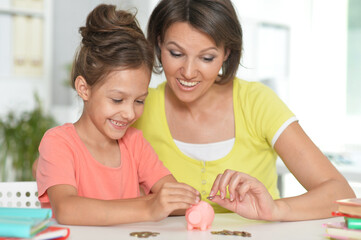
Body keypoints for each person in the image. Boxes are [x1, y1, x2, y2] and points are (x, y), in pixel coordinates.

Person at [132, 0, 355, 221]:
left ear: (227, 52)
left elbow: (340, 194)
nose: (189, 72)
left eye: (207, 57)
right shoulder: (135, 107)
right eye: (176, 53)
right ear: (159, 44)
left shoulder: (257, 103)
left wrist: (276, 209)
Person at [35, 4, 200, 226]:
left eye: (139, 100)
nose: (130, 113)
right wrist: (148, 206)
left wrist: (185, 199)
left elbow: (176, 200)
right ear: (84, 88)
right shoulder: (59, 143)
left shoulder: (135, 144)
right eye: (117, 100)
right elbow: (66, 209)